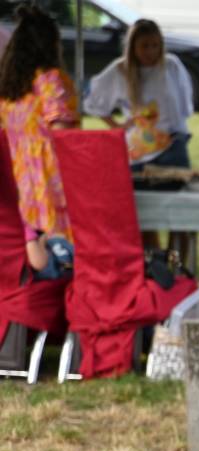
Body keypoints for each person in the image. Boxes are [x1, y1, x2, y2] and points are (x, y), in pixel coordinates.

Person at [84, 18, 194, 262]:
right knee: (145, 215)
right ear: (133, 47)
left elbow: (185, 104)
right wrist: (117, 126)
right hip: (139, 154)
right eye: (145, 46)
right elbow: (93, 101)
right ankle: (155, 264)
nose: (150, 52)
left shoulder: (171, 65)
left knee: (182, 213)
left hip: (174, 146)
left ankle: (179, 264)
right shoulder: (120, 71)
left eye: (155, 45)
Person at [0, 3, 79, 278]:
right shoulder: (51, 79)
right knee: (59, 253)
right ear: (50, 44)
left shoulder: (9, 87)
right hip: (50, 178)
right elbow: (62, 132)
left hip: (18, 179)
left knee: (30, 248)